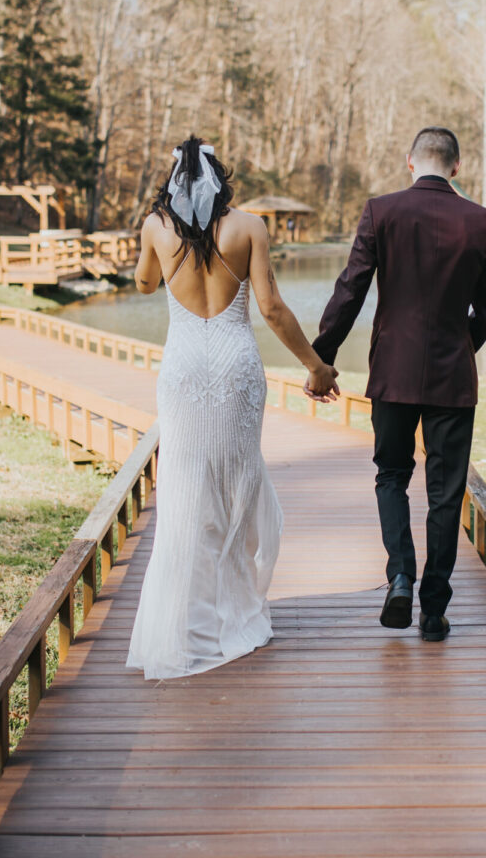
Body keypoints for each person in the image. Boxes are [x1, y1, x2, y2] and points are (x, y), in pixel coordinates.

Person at [125, 136, 339, 679]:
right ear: (221, 180)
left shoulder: (155, 227)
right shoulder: (249, 227)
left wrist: (159, 254)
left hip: (183, 369)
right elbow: (270, 306)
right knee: (237, 482)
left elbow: (145, 285)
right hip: (235, 366)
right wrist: (316, 366)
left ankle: (185, 624)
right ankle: (235, 611)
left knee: (185, 488)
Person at [312, 127, 486, 642]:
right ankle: (434, 609)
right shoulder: (482, 222)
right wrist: (460, 350)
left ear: (410, 162)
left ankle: (400, 574)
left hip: (392, 372)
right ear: (457, 167)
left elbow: (350, 290)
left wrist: (321, 358)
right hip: (452, 378)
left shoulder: (382, 211)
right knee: (445, 494)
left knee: (391, 475)